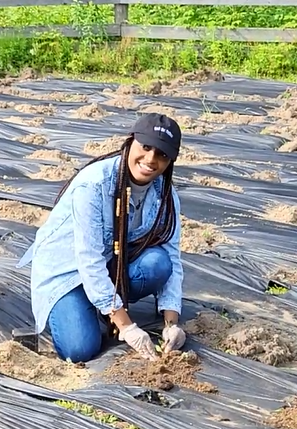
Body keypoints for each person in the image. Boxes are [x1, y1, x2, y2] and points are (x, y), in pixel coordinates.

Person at [19, 113, 188, 363]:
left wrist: (172, 322)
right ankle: (97, 307)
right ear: (130, 142)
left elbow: (172, 256)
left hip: (113, 264)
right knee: (79, 349)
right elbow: (89, 261)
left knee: (159, 263)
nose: (151, 160)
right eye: (146, 147)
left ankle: (105, 305)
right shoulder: (94, 184)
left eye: (162, 154)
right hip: (69, 271)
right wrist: (127, 326)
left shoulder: (166, 195)